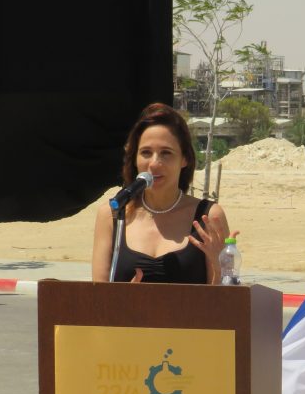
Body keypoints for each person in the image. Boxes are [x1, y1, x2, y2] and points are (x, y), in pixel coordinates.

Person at [92, 103, 237, 284]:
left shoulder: (208, 217)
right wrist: (125, 297)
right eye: (146, 152)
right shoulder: (112, 214)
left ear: (184, 159)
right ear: (134, 159)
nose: (154, 163)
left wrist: (219, 266)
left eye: (166, 153)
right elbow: (97, 297)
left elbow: (226, 298)